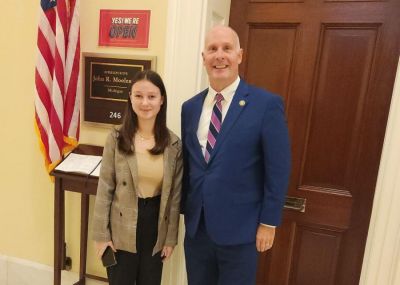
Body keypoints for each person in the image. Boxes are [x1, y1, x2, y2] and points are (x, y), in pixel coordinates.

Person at [181, 25, 291, 285]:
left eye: (227, 48)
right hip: (197, 231)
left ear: (239, 55)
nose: (219, 56)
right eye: (212, 49)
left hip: (241, 232)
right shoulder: (190, 107)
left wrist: (269, 222)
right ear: (204, 58)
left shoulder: (266, 105)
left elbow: (278, 168)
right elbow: (189, 165)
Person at [92, 70, 183, 285]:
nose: (145, 103)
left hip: (155, 224)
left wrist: (170, 238)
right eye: (138, 96)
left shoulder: (173, 144)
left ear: (162, 100)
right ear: (130, 98)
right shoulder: (116, 138)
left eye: (151, 96)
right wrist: (101, 236)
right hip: (121, 224)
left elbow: (174, 198)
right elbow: (104, 189)